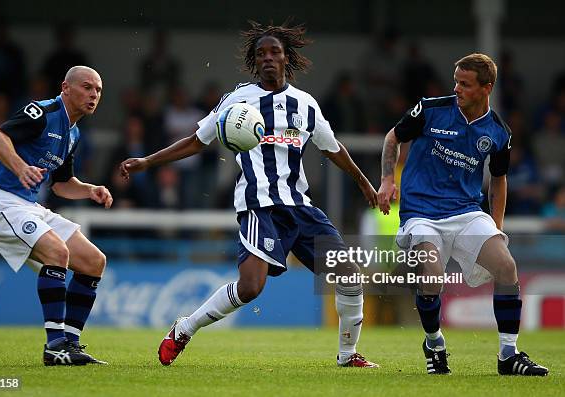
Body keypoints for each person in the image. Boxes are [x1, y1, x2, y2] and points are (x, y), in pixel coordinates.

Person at [121, 21, 379, 368]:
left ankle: (348, 355)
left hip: (300, 207)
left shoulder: (305, 105)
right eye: (261, 54)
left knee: (348, 275)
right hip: (260, 206)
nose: (268, 58)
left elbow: (332, 148)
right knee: (251, 287)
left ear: (287, 58)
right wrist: (148, 161)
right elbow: (198, 140)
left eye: (275, 52)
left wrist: (363, 181)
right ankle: (185, 327)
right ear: (254, 61)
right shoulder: (238, 100)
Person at [377, 53, 549, 376]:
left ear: (487, 88)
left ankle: (508, 356)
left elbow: (498, 179)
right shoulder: (431, 110)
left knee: (507, 266)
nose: (456, 88)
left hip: (467, 212)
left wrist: (495, 230)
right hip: (421, 213)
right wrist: (387, 179)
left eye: (464, 84)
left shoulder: (499, 132)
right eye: (455, 81)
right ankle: (434, 342)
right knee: (431, 274)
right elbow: (393, 137)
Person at [0, 66, 113, 366]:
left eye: (98, 90)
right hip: (2, 198)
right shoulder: (43, 112)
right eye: (87, 87)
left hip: (28, 205)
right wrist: (20, 167)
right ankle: (54, 346)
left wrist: (90, 190)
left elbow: (63, 185)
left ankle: (70, 345)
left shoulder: (73, 133)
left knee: (94, 261)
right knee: (57, 252)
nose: (93, 95)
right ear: (66, 87)